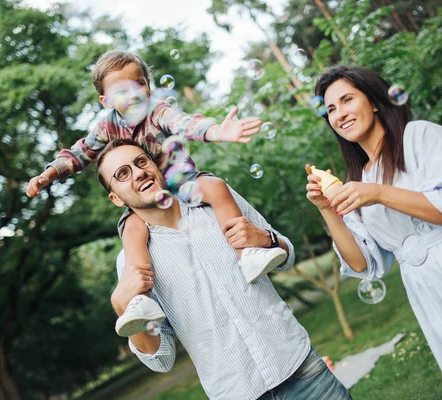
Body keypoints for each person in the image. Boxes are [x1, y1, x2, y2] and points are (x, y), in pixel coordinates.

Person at [25, 50, 287, 337]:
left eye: (140, 83)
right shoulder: (105, 126)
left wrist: (216, 131)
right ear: (106, 100)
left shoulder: (158, 111)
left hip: (179, 179)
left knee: (214, 186)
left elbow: (185, 123)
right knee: (132, 228)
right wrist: (50, 173)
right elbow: (81, 153)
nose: (135, 93)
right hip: (144, 196)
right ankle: (140, 302)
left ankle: (247, 253)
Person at [304, 65, 442, 400]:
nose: (339, 114)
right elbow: (360, 263)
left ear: (372, 101)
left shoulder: (419, 137)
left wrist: (381, 194)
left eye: (346, 100)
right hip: (431, 292)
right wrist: (326, 208)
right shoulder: (362, 178)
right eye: (330, 109)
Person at [99, 138, 352, 400]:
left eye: (141, 162)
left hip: (300, 367)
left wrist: (268, 240)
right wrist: (122, 307)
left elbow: (286, 256)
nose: (138, 173)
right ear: (116, 198)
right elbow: (161, 361)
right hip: (236, 392)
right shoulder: (130, 261)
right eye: (123, 173)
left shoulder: (215, 202)